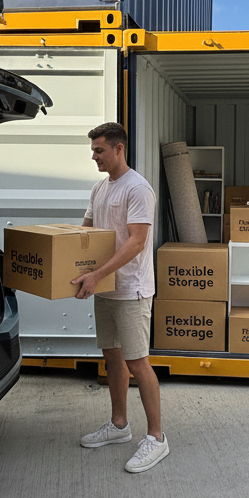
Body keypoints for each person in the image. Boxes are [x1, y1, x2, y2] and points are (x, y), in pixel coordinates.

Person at [72, 122, 169, 473]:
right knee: (111, 355)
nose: (94, 156)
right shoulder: (100, 189)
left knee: (137, 361)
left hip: (131, 289)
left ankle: (157, 438)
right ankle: (118, 426)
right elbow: (84, 233)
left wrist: (97, 274)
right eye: (93, 150)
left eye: (99, 150)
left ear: (118, 149)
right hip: (106, 288)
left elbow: (137, 241)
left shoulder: (138, 188)